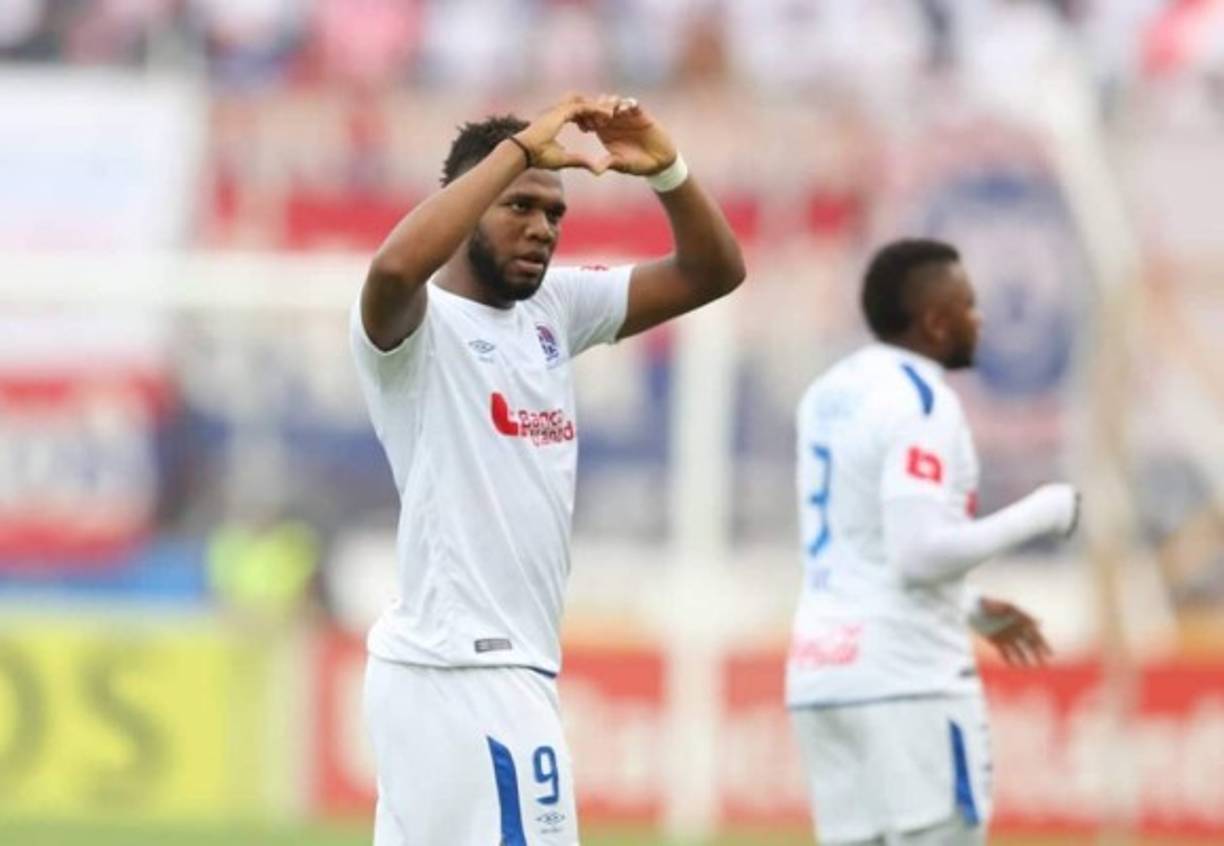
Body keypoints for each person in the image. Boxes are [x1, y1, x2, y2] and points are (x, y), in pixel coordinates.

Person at [350, 93, 744, 845]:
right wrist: (525, 148)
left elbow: (713, 270)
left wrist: (669, 171)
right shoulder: (414, 330)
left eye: (554, 215)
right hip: (472, 674)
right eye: (519, 207)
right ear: (464, 210)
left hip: (467, 674)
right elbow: (394, 266)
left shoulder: (554, 311)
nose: (542, 228)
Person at [787, 238, 1080, 846]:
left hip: (822, 676)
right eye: (969, 305)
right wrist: (1045, 511)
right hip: (908, 679)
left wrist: (968, 606)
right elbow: (917, 555)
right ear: (936, 320)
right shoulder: (922, 401)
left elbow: (861, 538)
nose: (980, 319)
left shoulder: (829, 392)